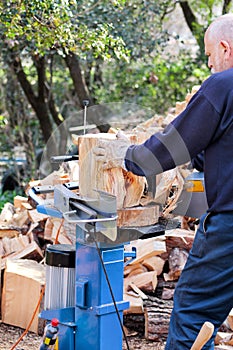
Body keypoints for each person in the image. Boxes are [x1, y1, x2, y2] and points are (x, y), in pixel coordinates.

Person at [94, 14, 233, 349]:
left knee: (192, 315)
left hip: (230, 229)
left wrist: (126, 154)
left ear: (226, 48)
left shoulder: (222, 85)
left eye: (209, 52)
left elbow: (161, 154)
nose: (209, 61)